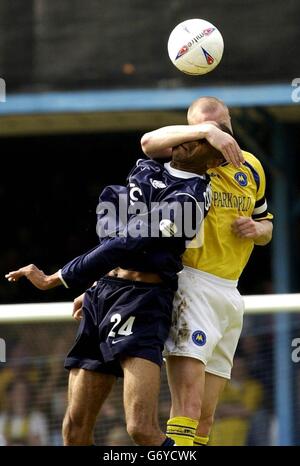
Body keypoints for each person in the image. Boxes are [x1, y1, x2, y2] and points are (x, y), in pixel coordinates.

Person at [6, 124, 238, 446]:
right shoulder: (146, 167)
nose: (189, 141)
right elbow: (110, 225)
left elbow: (129, 241)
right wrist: (94, 283)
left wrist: (58, 277)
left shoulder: (192, 201)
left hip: (143, 302)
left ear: (213, 161)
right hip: (103, 294)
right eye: (190, 133)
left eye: (202, 142)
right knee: (73, 428)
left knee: (141, 429)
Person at [141, 96, 273, 446]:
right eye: (204, 124)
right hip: (192, 286)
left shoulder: (252, 167)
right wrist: (202, 133)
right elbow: (147, 142)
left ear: (230, 120)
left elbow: (267, 226)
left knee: (206, 418)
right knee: (188, 405)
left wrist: (257, 230)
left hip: (231, 294)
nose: (215, 127)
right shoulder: (190, 157)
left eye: (219, 122)